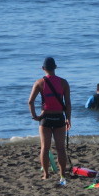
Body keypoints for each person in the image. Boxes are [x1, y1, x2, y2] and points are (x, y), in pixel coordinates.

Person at [28, 56, 71, 184]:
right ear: (55, 67)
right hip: (59, 117)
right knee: (61, 148)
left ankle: (46, 175)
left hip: (45, 118)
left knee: (45, 148)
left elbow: (30, 102)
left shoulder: (39, 83)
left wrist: (35, 116)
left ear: (43, 68)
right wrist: (68, 118)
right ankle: (62, 175)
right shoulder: (64, 82)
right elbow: (68, 103)